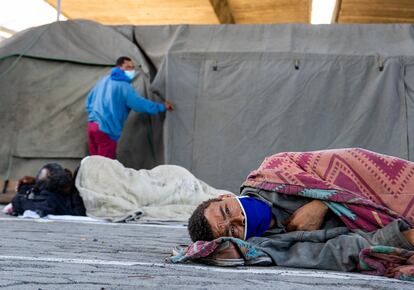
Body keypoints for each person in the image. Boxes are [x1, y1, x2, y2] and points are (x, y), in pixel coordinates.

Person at [187, 148, 414, 273]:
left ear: (225, 197)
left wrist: (323, 201)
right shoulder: (271, 245)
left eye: (227, 211)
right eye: (233, 230)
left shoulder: (275, 170)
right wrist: (403, 238)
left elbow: (348, 165)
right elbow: (336, 252)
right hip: (392, 230)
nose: (239, 220)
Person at [85, 56, 174, 159]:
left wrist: (94, 116)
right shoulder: (124, 86)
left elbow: (89, 101)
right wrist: (162, 106)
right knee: (105, 167)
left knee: (93, 163)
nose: (131, 70)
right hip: (106, 130)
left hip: (92, 125)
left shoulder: (104, 80)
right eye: (128, 67)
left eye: (132, 67)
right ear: (119, 67)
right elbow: (139, 105)